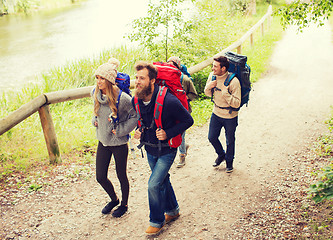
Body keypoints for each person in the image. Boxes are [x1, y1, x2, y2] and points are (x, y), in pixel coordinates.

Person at [132, 61, 194, 235]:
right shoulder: (136, 98)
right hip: (150, 149)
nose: (137, 81)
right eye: (136, 77)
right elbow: (142, 121)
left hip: (167, 149)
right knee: (162, 180)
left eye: (142, 78)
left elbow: (188, 120)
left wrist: (168, 133)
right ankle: (173, 211)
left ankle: (157, 221)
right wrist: (138, 130)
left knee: (153, 185)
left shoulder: (169, 100)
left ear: (152, 80)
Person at [91, 58, 137, 218]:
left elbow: (135, 116)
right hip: (103, 141)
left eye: (102, 78)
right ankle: (114, 199)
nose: (98, 81)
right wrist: (95, 120)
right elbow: (95, 112)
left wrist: (122, 130)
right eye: (97, 78)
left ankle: (124, 204)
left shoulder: (123, 98)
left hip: (118, 143)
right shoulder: (95, 93)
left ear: (109, 80)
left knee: (121, 175)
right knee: (100, 177)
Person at [204, 56, 241, 173]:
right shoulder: (212, 76)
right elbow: (208, 94)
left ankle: (229, 162)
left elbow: (237, 103)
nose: (212, 68)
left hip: (230, 116)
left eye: (215, 66)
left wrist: (226, 94)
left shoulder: (234, 82)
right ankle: (221, 155)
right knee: (212, 137)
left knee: (230, 140)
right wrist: (209, 87)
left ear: (223, 68)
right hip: (216, 113)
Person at [167, 56, 198, 168]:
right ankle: (184, 147)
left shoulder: (185, 79)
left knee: (181, 134)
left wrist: (183, 98)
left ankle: (182, 155)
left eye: (172, 65)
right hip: (171, 111)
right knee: (176, 133)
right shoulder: (166, 79)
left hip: (184, 111)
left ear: (177, 66)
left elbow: (193, 94)